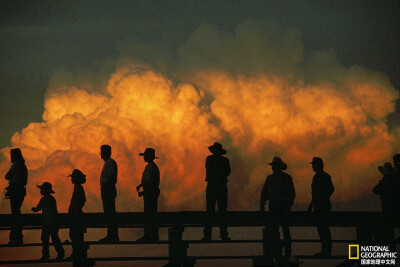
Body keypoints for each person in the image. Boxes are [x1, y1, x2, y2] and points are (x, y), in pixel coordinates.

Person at [260, 157, 295, 259]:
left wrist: (262, 206)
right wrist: (262, 205)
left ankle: (282, 250)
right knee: (279, 229)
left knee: (280, 229)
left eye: (274, 166)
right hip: (277, 207)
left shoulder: (273, 178)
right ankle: (282, 250)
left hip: (280, 207)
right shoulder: (283, 178)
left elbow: (264, 193)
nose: (273, 168)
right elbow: (264, 193)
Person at [202, 142, 231, 241]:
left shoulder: (209, 159)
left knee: (210, 211)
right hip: (221, 186)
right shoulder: (224, 160)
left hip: (212, 186)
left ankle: (208, 235)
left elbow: (210, 170)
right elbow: (227, 172)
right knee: (221, 211)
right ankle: (223, 234)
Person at [307, 157, 335, 257]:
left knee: (323, 228)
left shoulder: (321, 177)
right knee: (322, 228)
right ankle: (326, 250)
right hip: (320, 205)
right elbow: (330, 189)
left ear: (319, 165)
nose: (313, 167)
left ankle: (326, 250)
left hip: (322, 206)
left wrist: (321, 198)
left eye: (314, 165)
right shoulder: (321, 176)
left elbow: (329, 190)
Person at [32, 182, 65, 261]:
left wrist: (33, 209)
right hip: (55, 222)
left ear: (45, 190)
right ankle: (61, 253)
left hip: (48, 223)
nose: (40, 191)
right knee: (55, 238)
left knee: (44, 238)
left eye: (42, 189)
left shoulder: (44, 199)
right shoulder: (52, 199)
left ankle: (46, 255)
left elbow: (37, 208)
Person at [373, 162, 400, 251]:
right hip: (396, 208)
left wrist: (383, 193)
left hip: (387, 208)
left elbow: (375, 190)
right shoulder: (396, 181)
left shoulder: (384, 181)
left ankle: (393, 250)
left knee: (389, 230)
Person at [136, 148, 160, 242]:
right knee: (151, 213)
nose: (144, 158)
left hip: (150, 193)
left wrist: (143, 191)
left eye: (145, 156)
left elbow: (150, 183)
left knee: (149, 214)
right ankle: (152, 234)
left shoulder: (151, 167)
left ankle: (150, 235)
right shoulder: (151, 166)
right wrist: (141, 185)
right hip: (151, 192)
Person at [5, 148, 28, 246]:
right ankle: (18, 235)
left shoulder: (15, 165)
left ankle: (15, 236)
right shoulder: (23, 165)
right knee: (17, 211)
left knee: (15, 212)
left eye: (12, 155)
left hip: (15, 189)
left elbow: (7, 176)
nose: (11, 157)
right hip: (21, 190)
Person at [99, 144, 119, 243]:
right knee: (109, 212)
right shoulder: (108, 162)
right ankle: (111, 234)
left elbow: (111, 178)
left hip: (108, 189)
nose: (100, 154)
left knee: (110, 212)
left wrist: (107, 189)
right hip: (107, 189)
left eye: (101, 151)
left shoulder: (110, 162)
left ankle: (112, 234)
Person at [67, 169, 87, 260]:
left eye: (73, 177)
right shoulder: (78, 187)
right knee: (76, 236)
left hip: (76, 216)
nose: (71, 179)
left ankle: (77, 254)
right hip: (77, 215)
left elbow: (79, 201)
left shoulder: (78, 188)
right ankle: (77, 254)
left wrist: (74, 210)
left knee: (75, 235)